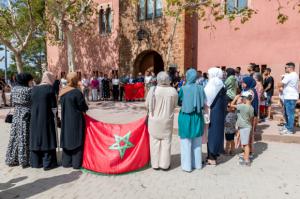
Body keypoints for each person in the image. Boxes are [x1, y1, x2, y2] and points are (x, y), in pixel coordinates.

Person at [146, 71, 178, 170]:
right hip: (166, 120)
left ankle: (155, 164)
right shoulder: (173, 91)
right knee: (166, 143)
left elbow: (147, 105)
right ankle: (164, 165)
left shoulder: (152, 90)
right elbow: (175, 105)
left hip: (154, 120)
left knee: (154, 142)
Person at [178, 68, 206, 172]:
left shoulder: (183, 88)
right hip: (198, 117)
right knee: (197, 142)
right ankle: (197, 164)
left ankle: (187, 166)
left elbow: (179, 100)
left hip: (186, 116)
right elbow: (204, 101)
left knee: (186, 143)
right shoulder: (201, 88)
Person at [59, 72, 88, 169]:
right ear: (75, 80)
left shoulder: (63, 92)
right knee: (77, 139)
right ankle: (76, 163)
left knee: (67, 138)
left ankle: (66, 162)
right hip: (76, 120)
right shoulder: (76, 92)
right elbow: (83, 107)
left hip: (65, 120)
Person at [30, 72, 58, 170]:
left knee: (36, 137)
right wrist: (56, 117)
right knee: (47, 137)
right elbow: (54, 106)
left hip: (34, 117)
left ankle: (36, 162)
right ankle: (48, 163)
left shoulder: (34, 88)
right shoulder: (50, 89)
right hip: (46, 117)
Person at [5, 73, 33, 167]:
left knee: (15, 136)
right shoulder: (28, 90)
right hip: (26, 115)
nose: (31, 82)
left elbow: (12, 102)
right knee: (24, 136)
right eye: (30, 80)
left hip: (17, 114)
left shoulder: (14, 89)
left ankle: (12, 158)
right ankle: (24, 159)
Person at [204, 67, 226, 165]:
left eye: (209, 74)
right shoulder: (221, 83)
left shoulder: (213, 83)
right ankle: (214, 154)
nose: (208, 76)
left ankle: (212, 158)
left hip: (213, 111)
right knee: (217, 132)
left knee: (212, 133)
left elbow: (207, 98)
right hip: (220, 111)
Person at [231, 91, 254, 166]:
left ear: (246, 98)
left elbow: (231, 105)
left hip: (244, 127)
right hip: (247, 126)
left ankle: (246, 160)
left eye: (243, 98)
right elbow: (251, 118)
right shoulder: (251, 108)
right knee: (245, 143)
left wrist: (235, 98)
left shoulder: (242, 106)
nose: (242, 99)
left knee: (245, 144)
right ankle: (245, 156)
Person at [279, 62, 299, 135]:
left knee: (290, 114)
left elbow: (280, 84)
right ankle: (287, 127)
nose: (285, 69)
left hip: (290, 97)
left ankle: (290, 129)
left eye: (286, 67)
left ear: (290, 68)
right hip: (289, 96)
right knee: (288, 113)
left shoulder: (290, 75)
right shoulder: (295, 75)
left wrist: (281, 79)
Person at [242, 76, 259, 158]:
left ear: (248, 83)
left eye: (243, 82)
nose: (242, 84)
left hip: (249, 116)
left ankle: (248, 153)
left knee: (247, 134)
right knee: (248, 134)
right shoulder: (250, 90)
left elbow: (245, 104)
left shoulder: (250, 92)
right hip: (249, 115)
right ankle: (247, 152)